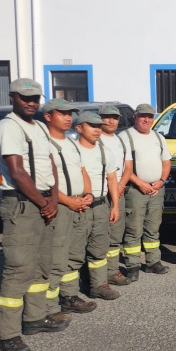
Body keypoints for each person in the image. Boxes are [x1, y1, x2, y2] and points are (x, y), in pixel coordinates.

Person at [0, 79, 66, 351]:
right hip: (23, 204)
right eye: (25, 97)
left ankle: (34, 319)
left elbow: (50, 164)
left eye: (35, 97)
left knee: (41, 264)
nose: (31, 102)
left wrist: (54, 197)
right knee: (19, 269)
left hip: (44, 200)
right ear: (12, 97)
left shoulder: (38, 127)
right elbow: (18, 172)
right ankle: (8, 336)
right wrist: (43, 202)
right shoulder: (9, 127)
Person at [43, 98, 96, 322]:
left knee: (74, 256)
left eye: (70, 114)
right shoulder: (43, 143)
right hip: (61, 207)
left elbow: (82, 171)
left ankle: (69, 296)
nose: (68, 117)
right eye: (62, 113)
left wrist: (88, 195)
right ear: (48, 117)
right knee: (57, 258)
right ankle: (48, 307)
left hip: (79, 205)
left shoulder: (72, 143)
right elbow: (45, 181)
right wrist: (68, 201)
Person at [61, 112, 122, 301]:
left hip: (100, 205)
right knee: (75, 251)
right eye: (92, 126)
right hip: (77, 206)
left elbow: (112, 180)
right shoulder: (71, 151)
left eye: (99, 126)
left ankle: (98, 285)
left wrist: (115, 206)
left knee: (98, 247)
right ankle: (69, 294)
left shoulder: (105, 152)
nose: (98, 130)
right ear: (79, 128)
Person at [120, 104, 171, 281]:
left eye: (149, 116)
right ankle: (132, 265)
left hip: (157, 189)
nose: (147, 120)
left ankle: (152, 262)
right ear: (135, 116)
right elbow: (124, 167)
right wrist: (140, 183)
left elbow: (166, 163)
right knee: (134, 228)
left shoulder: (159, 137)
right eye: (143, 116)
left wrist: (161, 181)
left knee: (153, 227)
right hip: (136, 190)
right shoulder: (126, 137)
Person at [98, 104, 133, 286]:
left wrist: (120, 185)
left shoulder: (121, 140)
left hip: (118, 191)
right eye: (107, 117)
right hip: (101, 193)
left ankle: (112, 271)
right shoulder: (95, 139)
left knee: (115, 234)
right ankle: (97, 275)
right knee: (98, 236)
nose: (111, 121)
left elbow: (128, 167)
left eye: (115, 117)